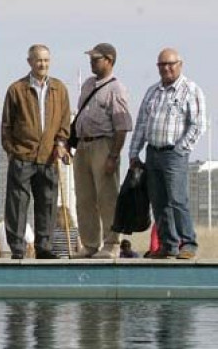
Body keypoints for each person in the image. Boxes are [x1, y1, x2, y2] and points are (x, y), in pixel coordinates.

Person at [129, 48, 206, 259]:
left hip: (174, 154)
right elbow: (142, 124)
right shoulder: (152, 91)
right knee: (158, 201)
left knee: (177, 200)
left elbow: (197, 125)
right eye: (162, 65)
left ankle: (188, 243)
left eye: (170, 64)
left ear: (180, 64)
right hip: (153, 153)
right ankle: (167, 244)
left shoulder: (190, 90)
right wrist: (134, 153)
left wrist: (181, 149)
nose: (166, 68)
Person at [0, 44, 71, 259]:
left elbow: (64, 121)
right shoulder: (16, 89)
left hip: (49, 156)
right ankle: (18, 248)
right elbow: (7, 125)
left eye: (46, 60)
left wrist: (60, 143)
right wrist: (13, 151)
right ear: (30, 61)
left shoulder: (59, 89)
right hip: (23, 156)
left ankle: (44, 247)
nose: (43, 64)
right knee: (17, 205)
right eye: (39, 60)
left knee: (48, 203)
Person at [73, 43, 134, 259]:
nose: (92, 61)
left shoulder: (116, 88)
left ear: (109, 60)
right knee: (84, 197)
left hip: (104, 144)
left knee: (107, 196)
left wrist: (113, 155)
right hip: (82, 144)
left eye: (96, 58)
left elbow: (121, 125)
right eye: (91, 58)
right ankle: (90, 243)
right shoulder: (88, 85)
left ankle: (112, 242)